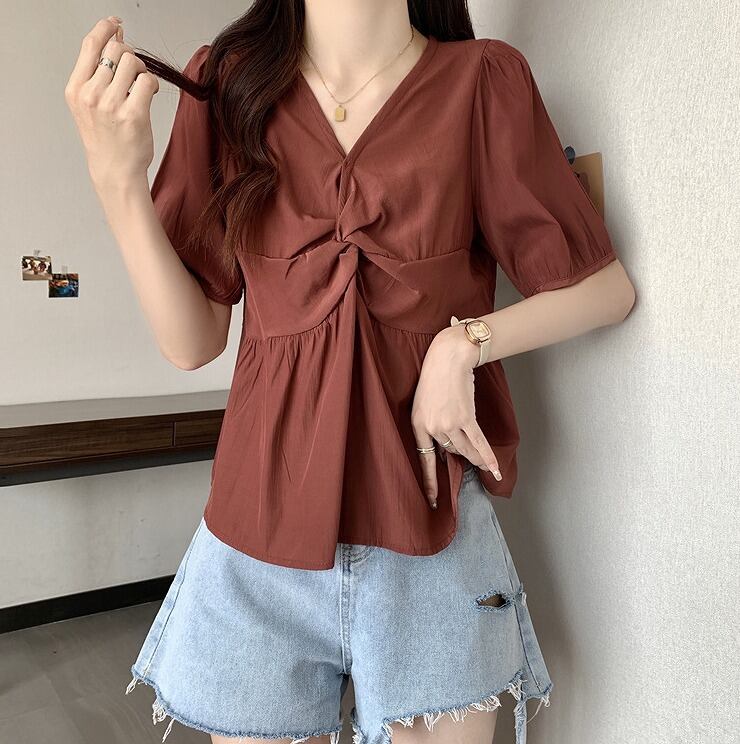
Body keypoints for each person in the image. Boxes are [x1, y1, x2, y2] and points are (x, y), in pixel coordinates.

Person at [65, 3, 636, 744]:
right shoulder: (229, 85)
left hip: (430, 532)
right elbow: (192, 340)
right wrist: (117, 181)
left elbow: (604, 289)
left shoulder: (481, 82)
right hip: (257, 541)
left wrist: (464, 343)